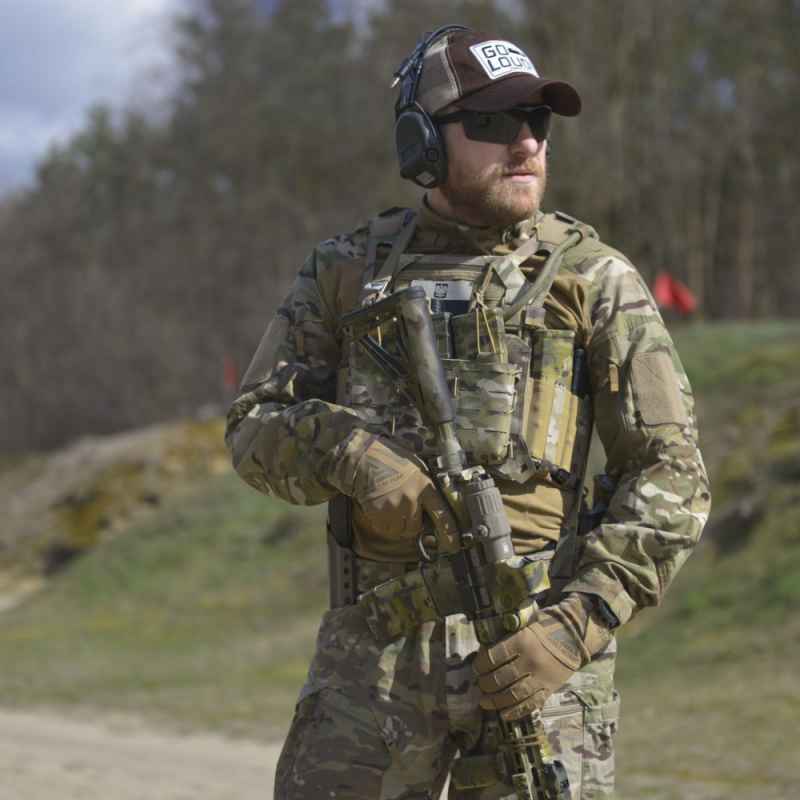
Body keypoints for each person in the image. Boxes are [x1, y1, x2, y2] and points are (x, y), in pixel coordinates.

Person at [225, 26, 710, 800]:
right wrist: (350, 453)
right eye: (492, 122)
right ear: (421, 142)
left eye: (537, 121)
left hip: (535, 658)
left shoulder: (593, 279)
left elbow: (672, 473)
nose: (526, 143)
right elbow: (253, 425)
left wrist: (578, 623)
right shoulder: (345, 271)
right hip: (374, 664)